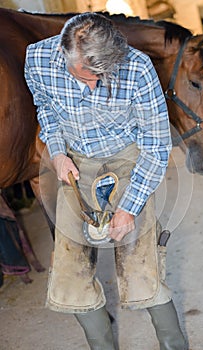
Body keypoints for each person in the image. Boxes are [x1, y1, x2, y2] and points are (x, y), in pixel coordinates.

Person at [24, 12, 187, 350]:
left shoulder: (138, 67)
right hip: (76, 161)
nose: (96, 84)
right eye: (87, 75)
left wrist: (128, 208)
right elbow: (46, 108)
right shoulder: (38, 59)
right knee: (70, 277)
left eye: (103, 75)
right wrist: (56, 151)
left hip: (127, 158)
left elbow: (156, 147)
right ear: (65, 55)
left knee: (142, 269)